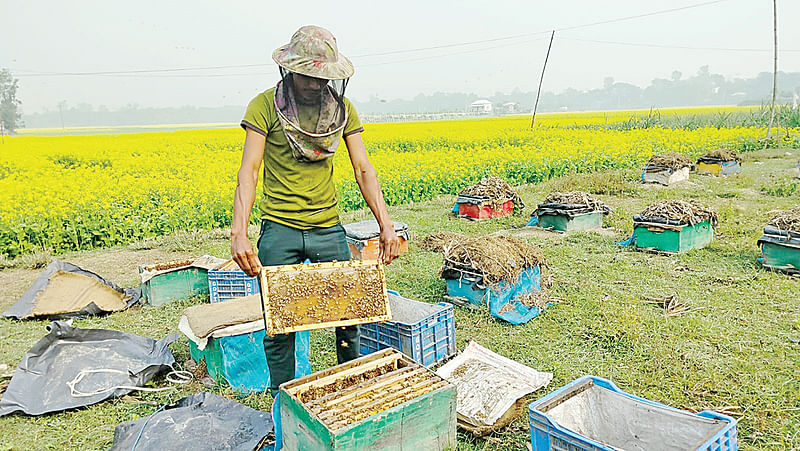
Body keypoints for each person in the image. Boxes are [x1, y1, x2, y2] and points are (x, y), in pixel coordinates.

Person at [230, 25, 402, 394]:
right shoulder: (264, 106)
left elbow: (363, 168)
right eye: (307, 75)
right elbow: (250, 169)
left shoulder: (343, 110)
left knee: (350, 316)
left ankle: (350, 389)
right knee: (279, 324)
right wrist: (239, 232)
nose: (313, 83)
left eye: (321, 75)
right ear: (290, 69)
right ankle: (284, 398)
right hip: (279, 229)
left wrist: (386, 225)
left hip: (328, 228)